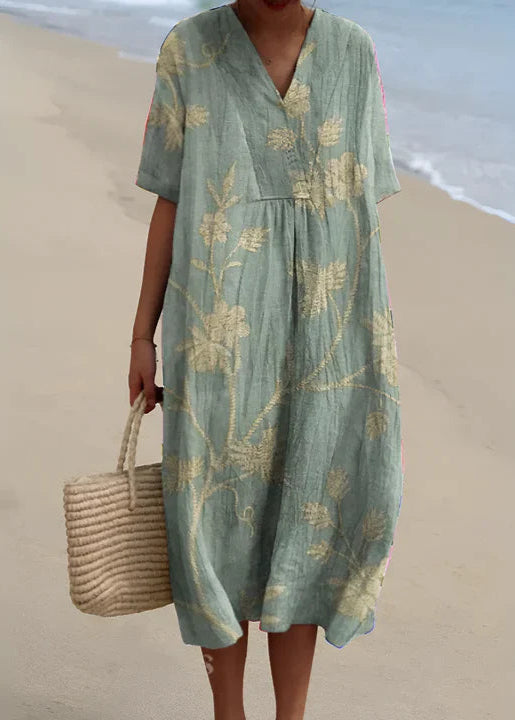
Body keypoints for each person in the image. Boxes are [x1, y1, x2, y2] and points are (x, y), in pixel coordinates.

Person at [129, 1, 404, 718]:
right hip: (217, 333)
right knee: (213, 520)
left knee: (308, 519)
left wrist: (368, 338)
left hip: (329, 333)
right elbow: (170, 199)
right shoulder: (190, 49)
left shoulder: (351, 52)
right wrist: (141, 333)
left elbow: (361, 212)